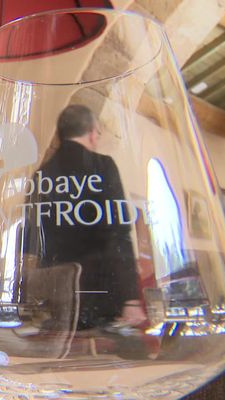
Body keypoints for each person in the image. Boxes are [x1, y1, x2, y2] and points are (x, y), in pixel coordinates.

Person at [25, 104, 145, 331]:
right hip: (100, 294)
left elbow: (30, 237)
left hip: (53, 299)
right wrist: (130, 298)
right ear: (92, 133)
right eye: (98, 134)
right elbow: (118, 234)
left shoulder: (41, 175)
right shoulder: (103, 166)